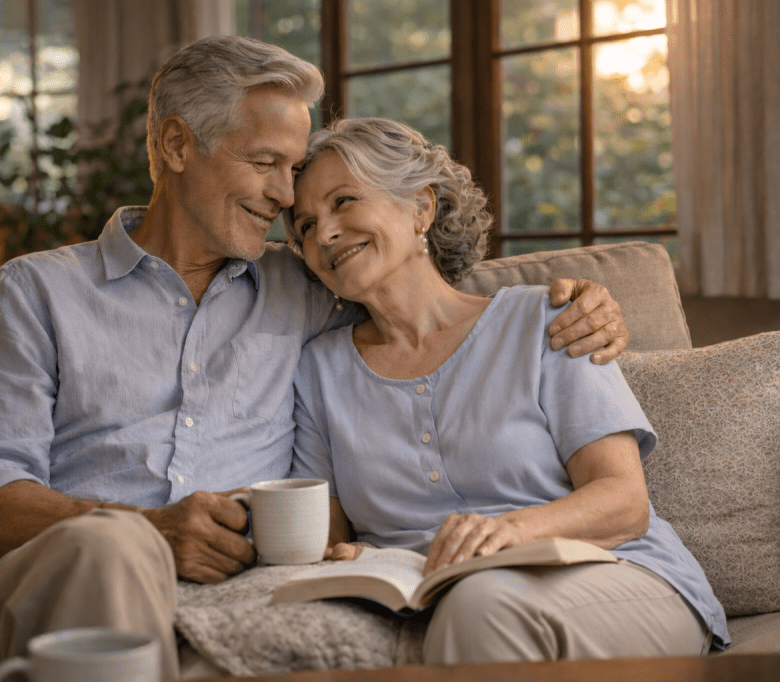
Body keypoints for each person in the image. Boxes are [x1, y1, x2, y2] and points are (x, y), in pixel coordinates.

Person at [0, 37, 631, 681]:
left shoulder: (305, 284)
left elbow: (420, 291)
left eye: (293, 170)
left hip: (236, 593)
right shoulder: (36, 292)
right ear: (176, 144)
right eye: (264, 163)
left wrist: (577, 299)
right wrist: (148, 531)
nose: (287, 197)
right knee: (112, 551)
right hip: (65, 576)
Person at [285, 117, 729, 664]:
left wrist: (504, 532)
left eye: (344, 201)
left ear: (420, 207)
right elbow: (327, 540)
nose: (324, 233)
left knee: (482, 605)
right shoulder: (317, 371)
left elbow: (624, 502)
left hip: (612, 574)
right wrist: (347, 555)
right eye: (305, 226)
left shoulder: (548, 318)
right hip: (432, 595)